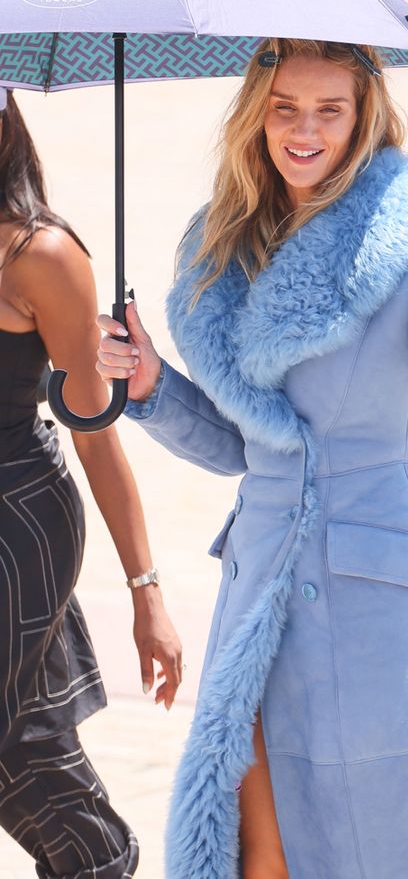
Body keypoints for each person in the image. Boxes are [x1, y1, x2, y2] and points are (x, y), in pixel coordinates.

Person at [96, 39, 408, 879]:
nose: (305, 131)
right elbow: (243, 446)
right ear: (256, 112)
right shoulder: (227, 248)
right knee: (256, 843)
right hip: (259, 580)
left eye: (330, 109)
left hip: (375, 595)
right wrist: (153, 385)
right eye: (287, 107)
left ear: (365, 116)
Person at [0, 87, 183, 878]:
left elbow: (95, 430)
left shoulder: (39, 254)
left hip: (14, 524)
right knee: (25, 739)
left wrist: (147, 589)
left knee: (23, 745)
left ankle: (99, 861)